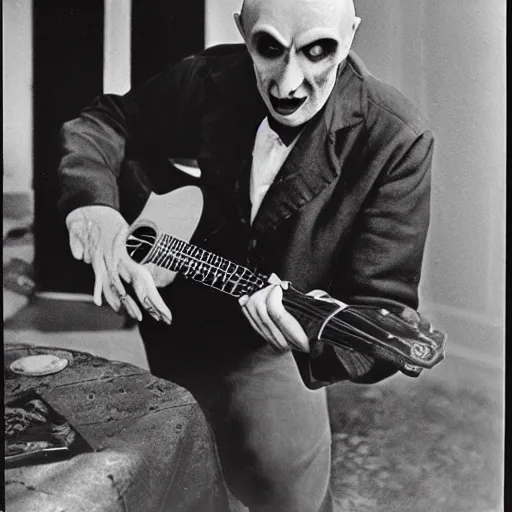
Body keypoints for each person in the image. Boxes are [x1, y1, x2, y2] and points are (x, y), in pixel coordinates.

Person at [58, 0, 434, 510]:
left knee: (287, 490)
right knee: (183, 476)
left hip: (272, 347)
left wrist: (312, 336)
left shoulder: (396, 138)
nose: (287, 84)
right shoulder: (213, 75)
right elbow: (106, 122)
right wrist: (94, 207)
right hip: (174, 314)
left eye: (318, 51)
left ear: (351, 37)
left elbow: (380, 305)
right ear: (243, 33)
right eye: (269, 49)